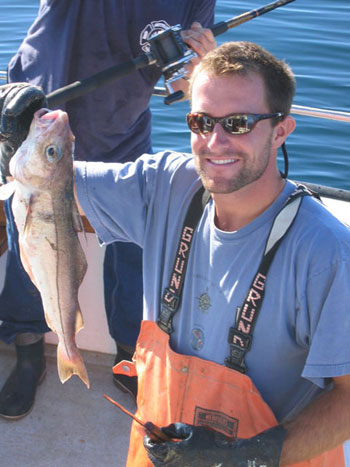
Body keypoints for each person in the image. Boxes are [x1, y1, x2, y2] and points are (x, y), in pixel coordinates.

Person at [2, 41, 350, 465]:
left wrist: (251, 457)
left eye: (238, 123)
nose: (215, 141)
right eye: (201, 121)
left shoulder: (326, 253)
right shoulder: (168, 184)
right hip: (157, 445)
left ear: (281, 130)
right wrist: (15, 140)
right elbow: (52, 182)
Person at [0, 0, 216, 419]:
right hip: (37, 126)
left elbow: (183, 87)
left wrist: (199, 68)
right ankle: (28, 349)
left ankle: (129, 354)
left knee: (135, 251)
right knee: (30, 240)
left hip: (123, 135)